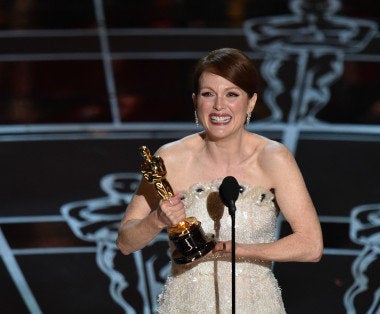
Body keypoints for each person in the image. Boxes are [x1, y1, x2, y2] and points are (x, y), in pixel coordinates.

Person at [116, 47, 323, 313]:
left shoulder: (274, 158)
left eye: (232, 94)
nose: (219, 107)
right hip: (186, 305)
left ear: (250, 102)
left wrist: (234, 249)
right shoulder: (170, 158)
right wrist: (157, 219)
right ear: (195, 101)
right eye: (208, 94)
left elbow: (311, 246)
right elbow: (125, 242)